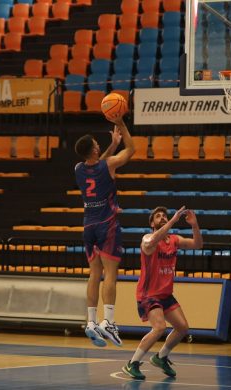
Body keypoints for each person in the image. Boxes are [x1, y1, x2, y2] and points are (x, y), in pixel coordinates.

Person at [74, 113, 135, 347]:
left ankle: (91, 322)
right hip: (106, 224)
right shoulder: (108, 165)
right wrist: (121, 124)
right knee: (110, 274)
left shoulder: (78, 168)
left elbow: (99, 164)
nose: (100, 146)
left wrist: (111, 145)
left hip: (87, 225)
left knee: (93, 274)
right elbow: (132, 149)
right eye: (98, 145)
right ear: (94, 150)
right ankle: (108, 321)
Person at [123, 206, 203, 380]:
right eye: (158, 216)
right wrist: (174, 220)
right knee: (159, 327)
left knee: (182, 328)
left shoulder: (174, 240)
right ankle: (132, 363)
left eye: (164, 216)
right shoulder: (147, 239)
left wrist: (195, 225)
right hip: (148, 294)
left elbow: (198, 245)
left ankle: (161, 357)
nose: (162, 218)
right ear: (152, 223)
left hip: (165, 294)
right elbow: (150, 243)